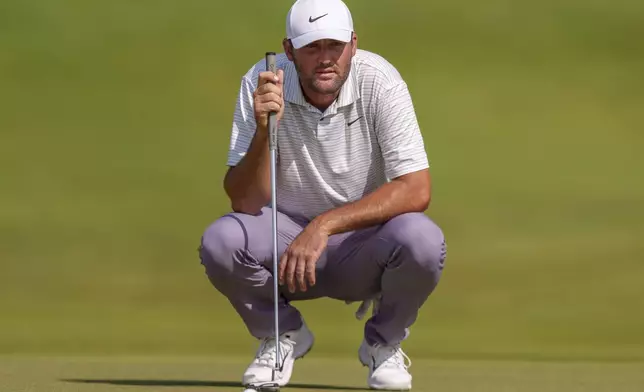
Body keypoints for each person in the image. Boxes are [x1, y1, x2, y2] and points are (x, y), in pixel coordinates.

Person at [198, 0, 447, 389]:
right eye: (312, 47)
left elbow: (416, 188)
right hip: (285, 247)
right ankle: (281, 334)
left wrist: (323, 225)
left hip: (363, 247)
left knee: (423, 240)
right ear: (289, 50)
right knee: (221, 240)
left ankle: (384, 343)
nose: (325, 58)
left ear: (353, 44)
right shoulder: (263, 81)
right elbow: (245, 202)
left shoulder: (379, 80)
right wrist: (265, 131)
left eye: (335, 46)